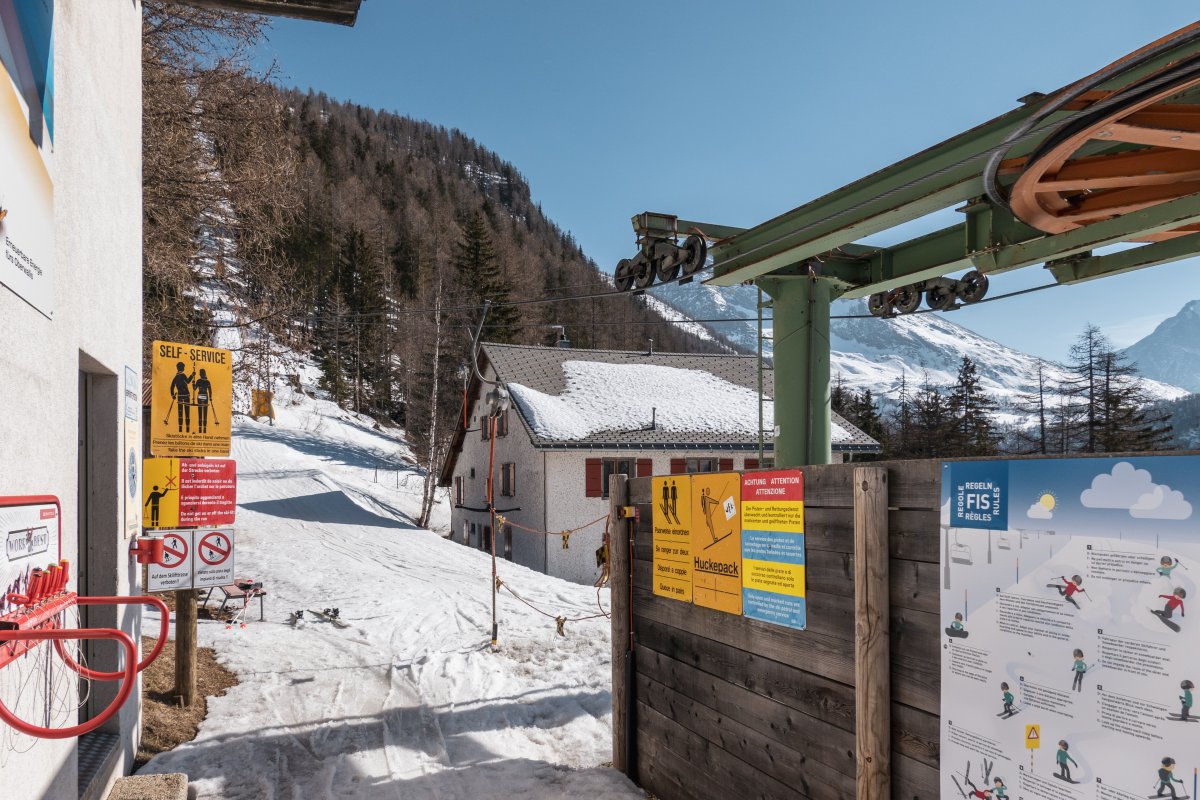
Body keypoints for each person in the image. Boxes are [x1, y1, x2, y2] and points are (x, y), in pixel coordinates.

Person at [170, 361, 195, 433]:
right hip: (186, 395)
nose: (184, 368)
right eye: (183, 367)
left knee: (180, 413)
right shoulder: (183, 375)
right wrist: (192, 375)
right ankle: (187, 430)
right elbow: (188, 381)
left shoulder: (176, 377)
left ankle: (180, 429)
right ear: (182, 368)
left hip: (180, 396)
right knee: (187, 412)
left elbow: (172, 387)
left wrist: (173, 395)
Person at [194, 368, 213, 434]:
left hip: (200, 396)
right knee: (204, 413)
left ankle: (202, 428)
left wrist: (193, 385)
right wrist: (210, 397)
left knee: (201, 412)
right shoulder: (207, 381)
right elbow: (210, 390)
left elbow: (194, 389)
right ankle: (203, 428)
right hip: (205, 396)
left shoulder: (199, 381)